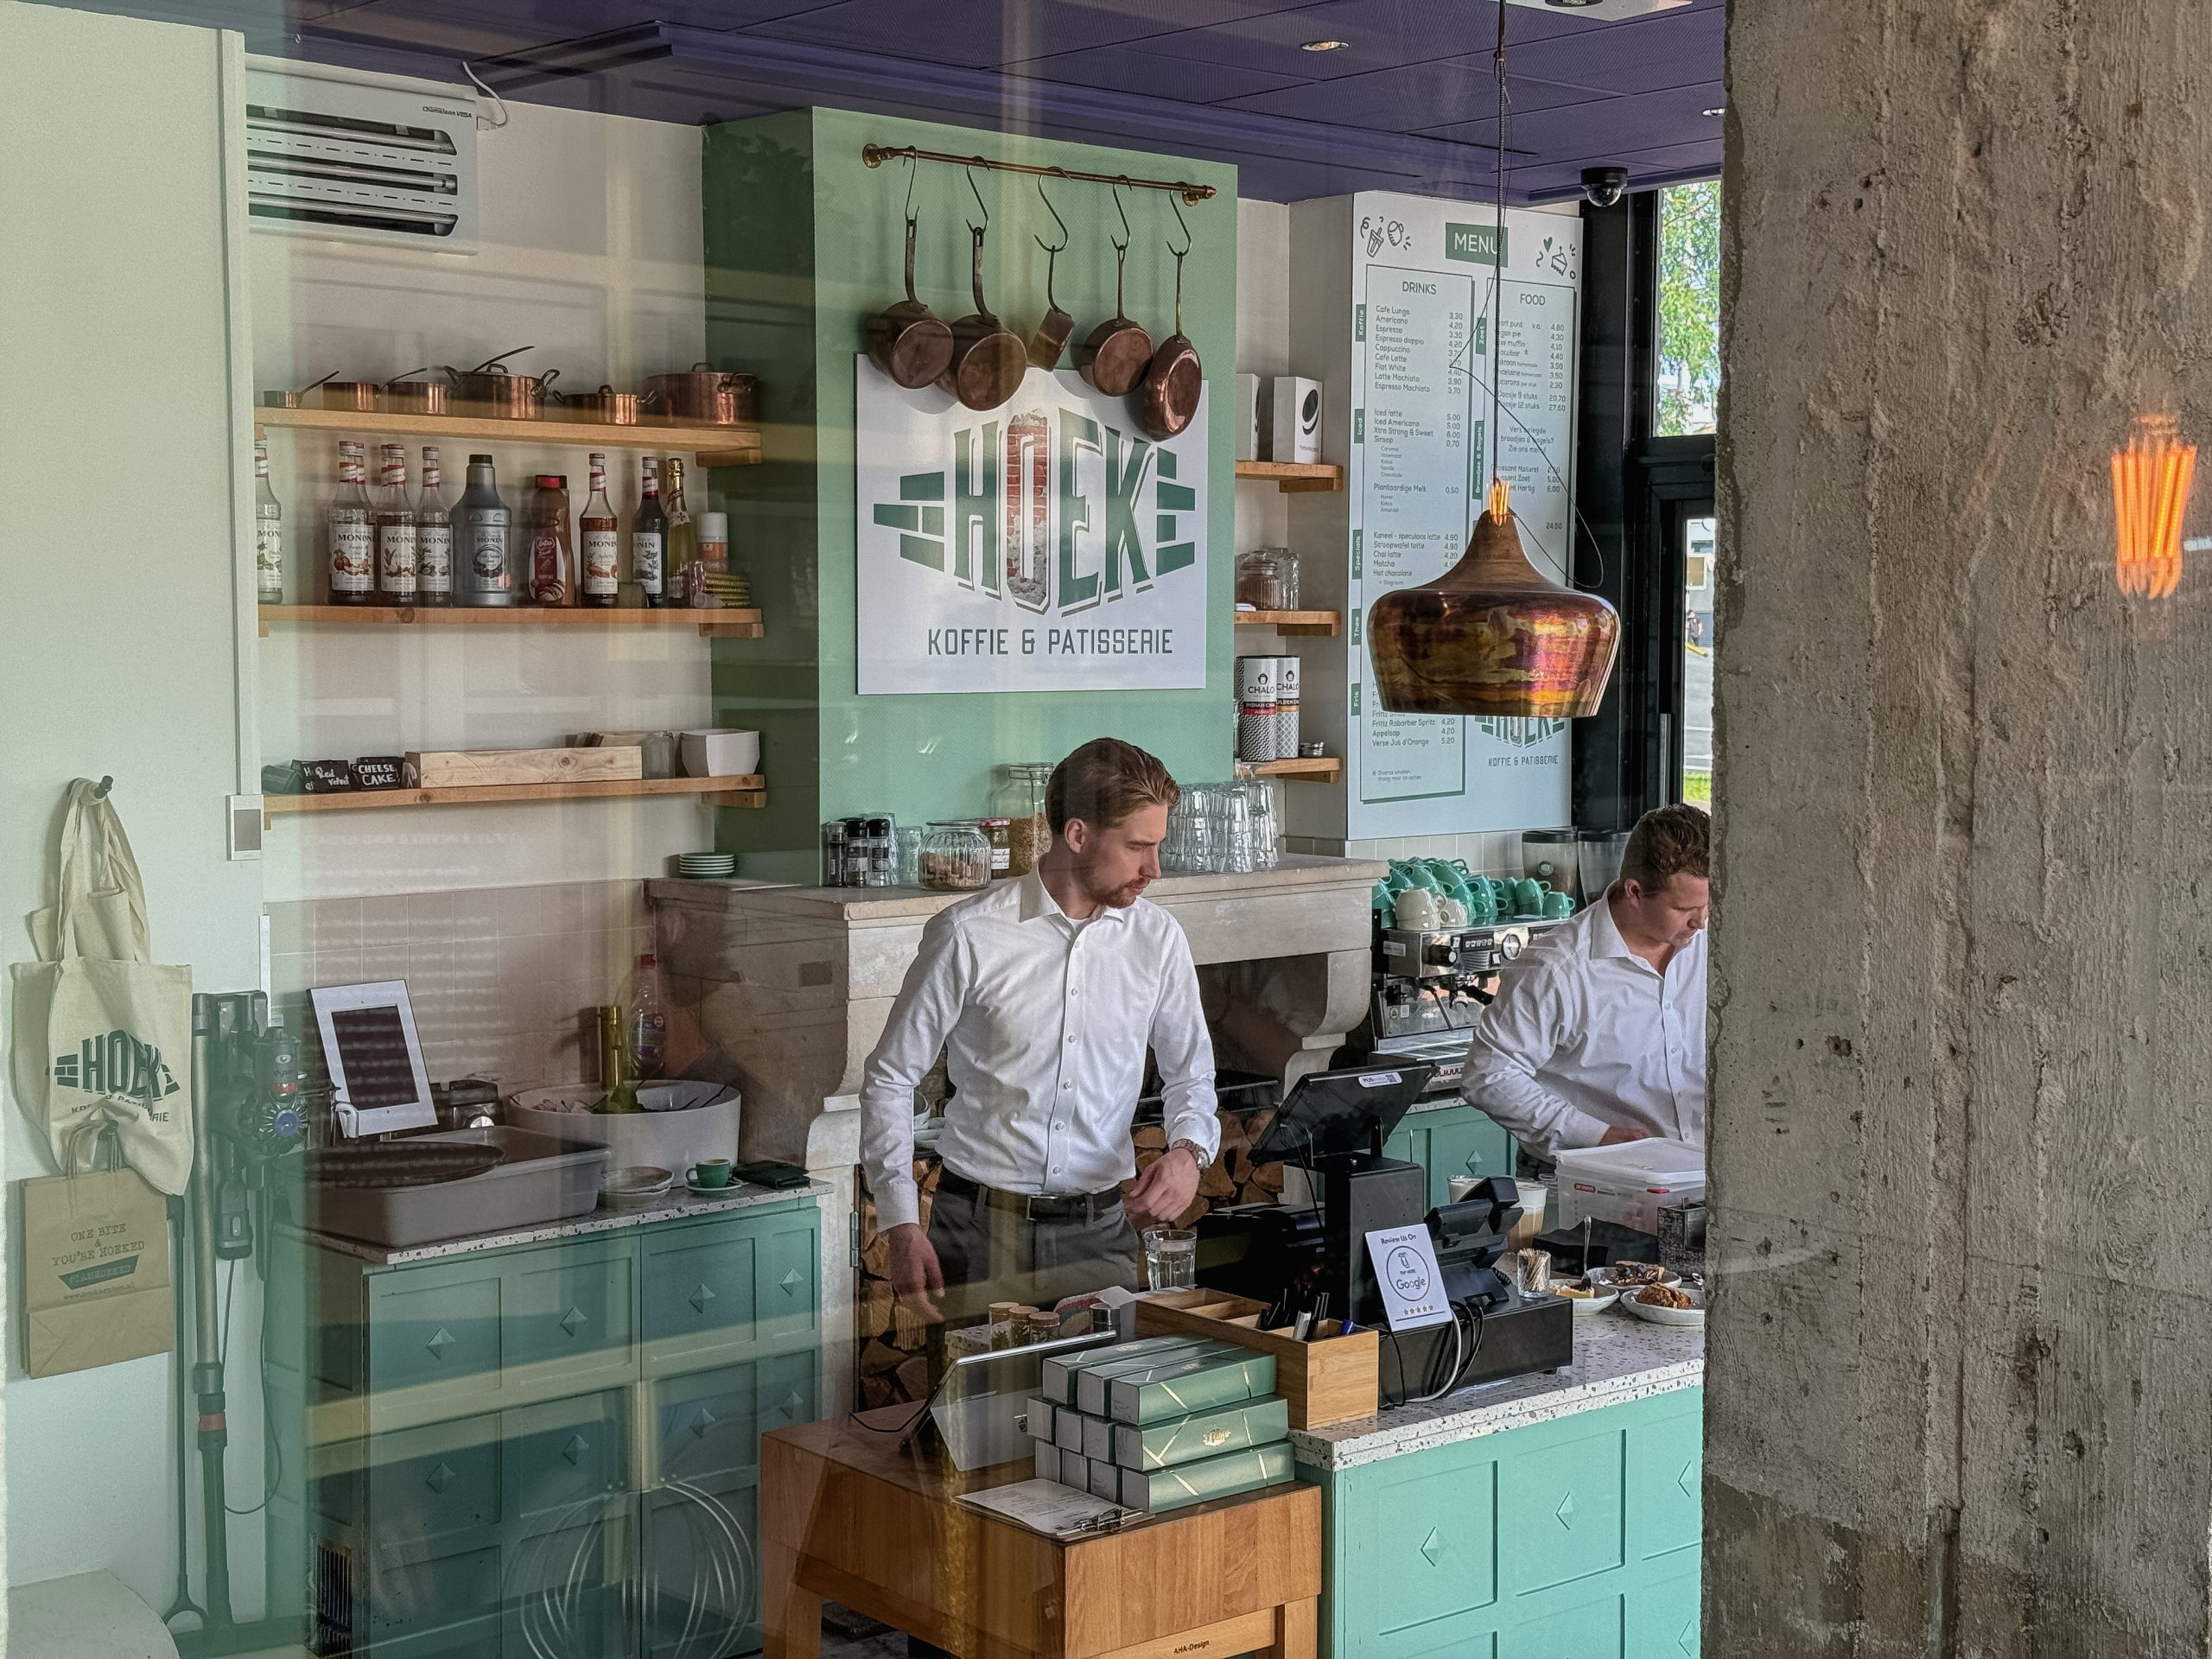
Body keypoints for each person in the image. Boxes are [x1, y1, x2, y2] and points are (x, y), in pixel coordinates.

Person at [858, 738, 1221, 1331]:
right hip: (978, 1231)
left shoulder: (1158, 940)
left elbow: (1192, 1073)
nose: (1154, 869)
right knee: (976, 1420)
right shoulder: (968, 934)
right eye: (1137, 847)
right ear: (1077, 835)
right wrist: (899, 1223)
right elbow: (890, 1078)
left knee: (1103, 1419)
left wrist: (1190, 1153)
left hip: (1102, 1235)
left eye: (1157, 846)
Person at [1459, 803, 1708, 1154]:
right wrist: (1595, 1134)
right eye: (1684, 910)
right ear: (1635, 892)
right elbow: (1489, 1075)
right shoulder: (1556, 968)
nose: (1701, 922)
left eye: (1707, 905)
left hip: (1696, 1174)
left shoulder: (1715, 950)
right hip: (1589, 1177)